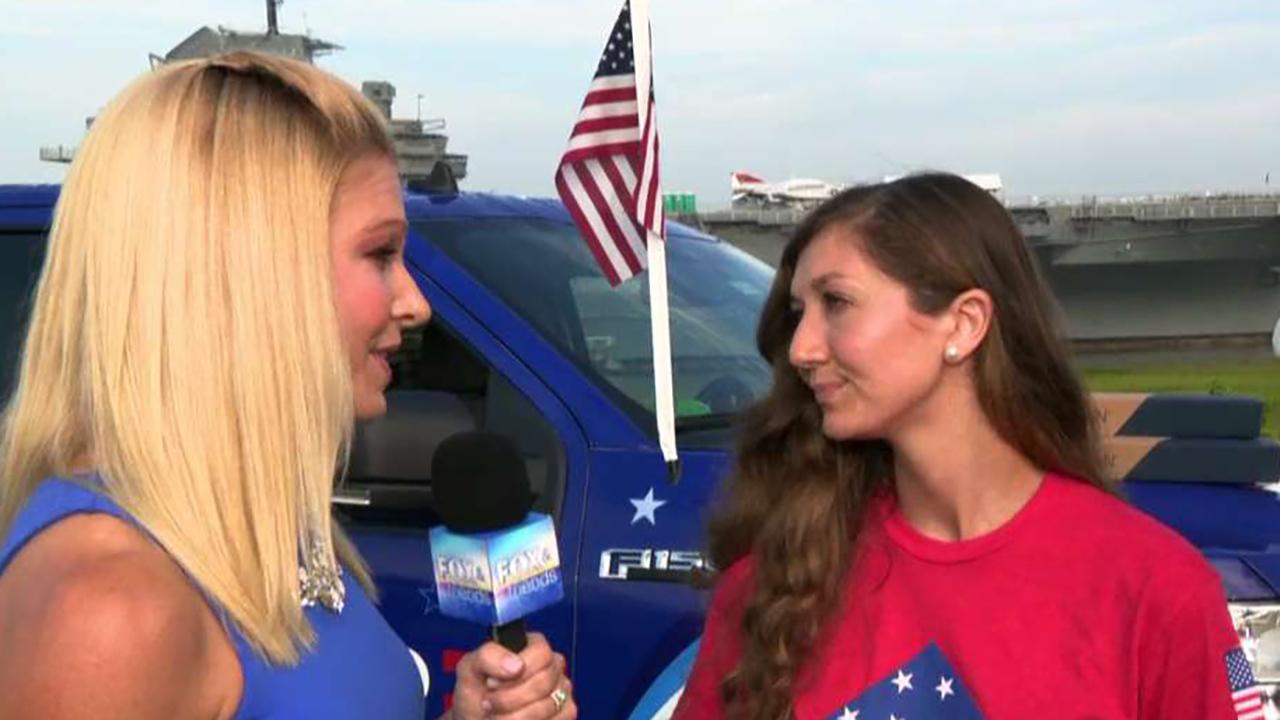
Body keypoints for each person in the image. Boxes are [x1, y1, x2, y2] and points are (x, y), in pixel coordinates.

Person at [0, 52, 575, 720]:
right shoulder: (106, 612)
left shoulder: (255, 529)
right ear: (247, 273)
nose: (416, 303)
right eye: (380, 254)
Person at [673, 173, 1250, 719]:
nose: (801, 348)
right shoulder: (776, 587)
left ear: (964, 323)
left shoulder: (1158, 591)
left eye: (837, 303)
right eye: (800, 313)